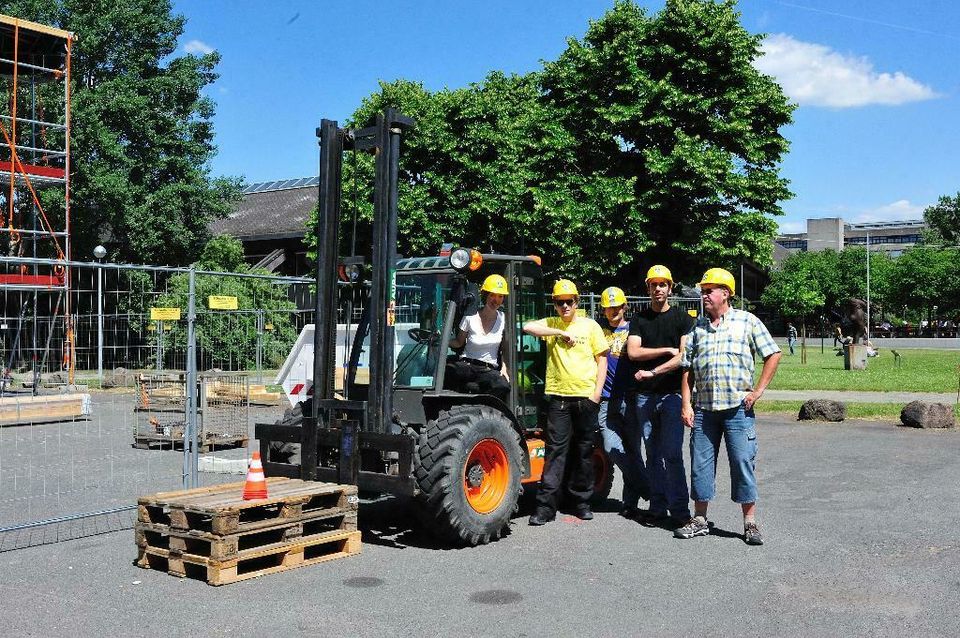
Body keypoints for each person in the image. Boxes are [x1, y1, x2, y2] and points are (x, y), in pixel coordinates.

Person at [677, 267, 782, 545]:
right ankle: (699, 520)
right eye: (703, 291)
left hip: (738, 410)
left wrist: (758, 390)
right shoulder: (697, 327)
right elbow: (686, 368)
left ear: (726, 293)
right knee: (700, 464)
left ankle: (750, 523)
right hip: (704, 410)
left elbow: (773, 353)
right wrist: (686, 404)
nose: (704, 295)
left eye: (708, 290)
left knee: (742, 462)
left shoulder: (747, 322)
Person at [523, 279, 609, 525]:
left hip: (585, 398)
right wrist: (560, 332)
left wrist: (596, 395)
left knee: (583, 452)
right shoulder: (552, 325)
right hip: (559, 399)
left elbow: (602, 360)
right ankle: (545, 507)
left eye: (569, 301)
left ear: (577, 301)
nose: (564, 306)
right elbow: (528, 327)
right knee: (555, 452)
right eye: (560, 302)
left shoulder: (590, 326)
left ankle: (581, 502)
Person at [627, 265, 694, 527]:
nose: (658, 289)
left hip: (673, 396)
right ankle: (657, 507)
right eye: (653, 284)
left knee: (672, 454)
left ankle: (680, 511)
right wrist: (666, 348)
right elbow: (633, 352)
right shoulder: (639, 319)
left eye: (663, 284)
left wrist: (653, 371)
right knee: (652, 454)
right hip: (645, 397)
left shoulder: (682, 319)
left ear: (670, 287)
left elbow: (684, 356)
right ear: (648, 288)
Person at [597, 286, 649, 518]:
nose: (613, 311)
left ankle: (630, 502)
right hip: (607, 399)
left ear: (624, 307)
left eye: (617, 307)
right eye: (609, 308)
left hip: (629, 397)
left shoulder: (633, 330)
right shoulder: (599, 331)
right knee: (611, 447)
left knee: (632, 450)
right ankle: (646, 485)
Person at [448, 274, 511, 402]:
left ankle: (488, 411)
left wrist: (504, 368)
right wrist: (442, 343)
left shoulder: (504, 319)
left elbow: (505, 348)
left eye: (500, 296)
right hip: (467, 365)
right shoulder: (470, 317)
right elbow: (459, 342)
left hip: (488, 369)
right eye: (492, 295)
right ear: (485, 295)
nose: (496, 300)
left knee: (503, 385)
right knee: (449, 373)